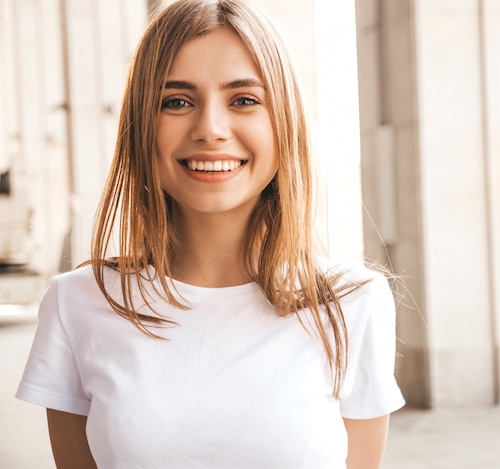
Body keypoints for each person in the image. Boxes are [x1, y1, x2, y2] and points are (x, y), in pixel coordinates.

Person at [16, 0, 405, 467]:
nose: (210, 129)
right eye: (177, 101)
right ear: (141, 127)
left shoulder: (353, 302)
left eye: (244, 99)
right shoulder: (77, 303)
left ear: (284, 122)